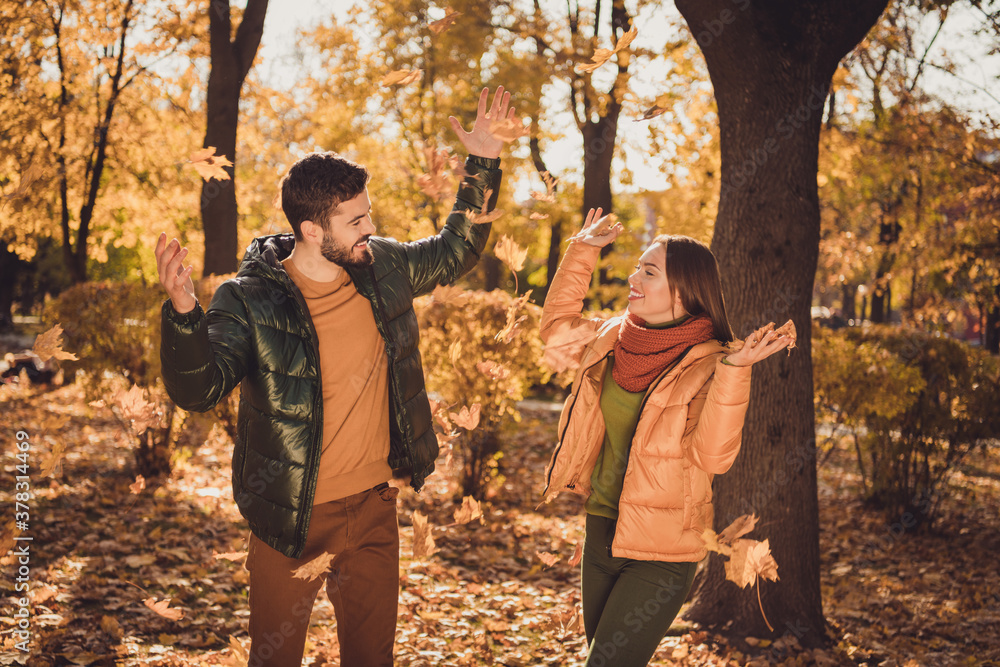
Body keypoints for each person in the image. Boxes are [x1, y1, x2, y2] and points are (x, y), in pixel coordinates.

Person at [155, 86, 517, 666]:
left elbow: (457, 249)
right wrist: (183, 317)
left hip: (374, 510)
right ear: (311, 230)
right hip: (289, 518)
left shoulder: (383, 266)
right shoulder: (248, 301)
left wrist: (483, 162)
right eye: (356, 220)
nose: (369, 228)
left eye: (368, 213)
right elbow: (198, 389)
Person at [539, 207, 793, 667]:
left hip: (664, 550)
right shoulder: (612, 337)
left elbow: (713, 457)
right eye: (637, 266)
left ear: (683, 291)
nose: (634, 276)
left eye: (648, 271)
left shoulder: (711, 363)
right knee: (601, 658)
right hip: (601, 531)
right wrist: (583, 251)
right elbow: (556, 335)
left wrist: (735, 373)